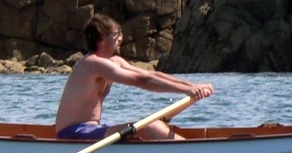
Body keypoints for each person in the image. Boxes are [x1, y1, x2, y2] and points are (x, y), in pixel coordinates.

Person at [55, 14, 214, 140]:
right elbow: (141, 82)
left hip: (93, 129)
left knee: (156, 123)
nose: (121, 39)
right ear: (101, 38)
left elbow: (149, 74)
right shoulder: (93, 64)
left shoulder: (114, 61)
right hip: (74, 133)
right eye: (117, 34)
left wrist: (192, 86)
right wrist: (187, 90)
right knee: (150, 127)